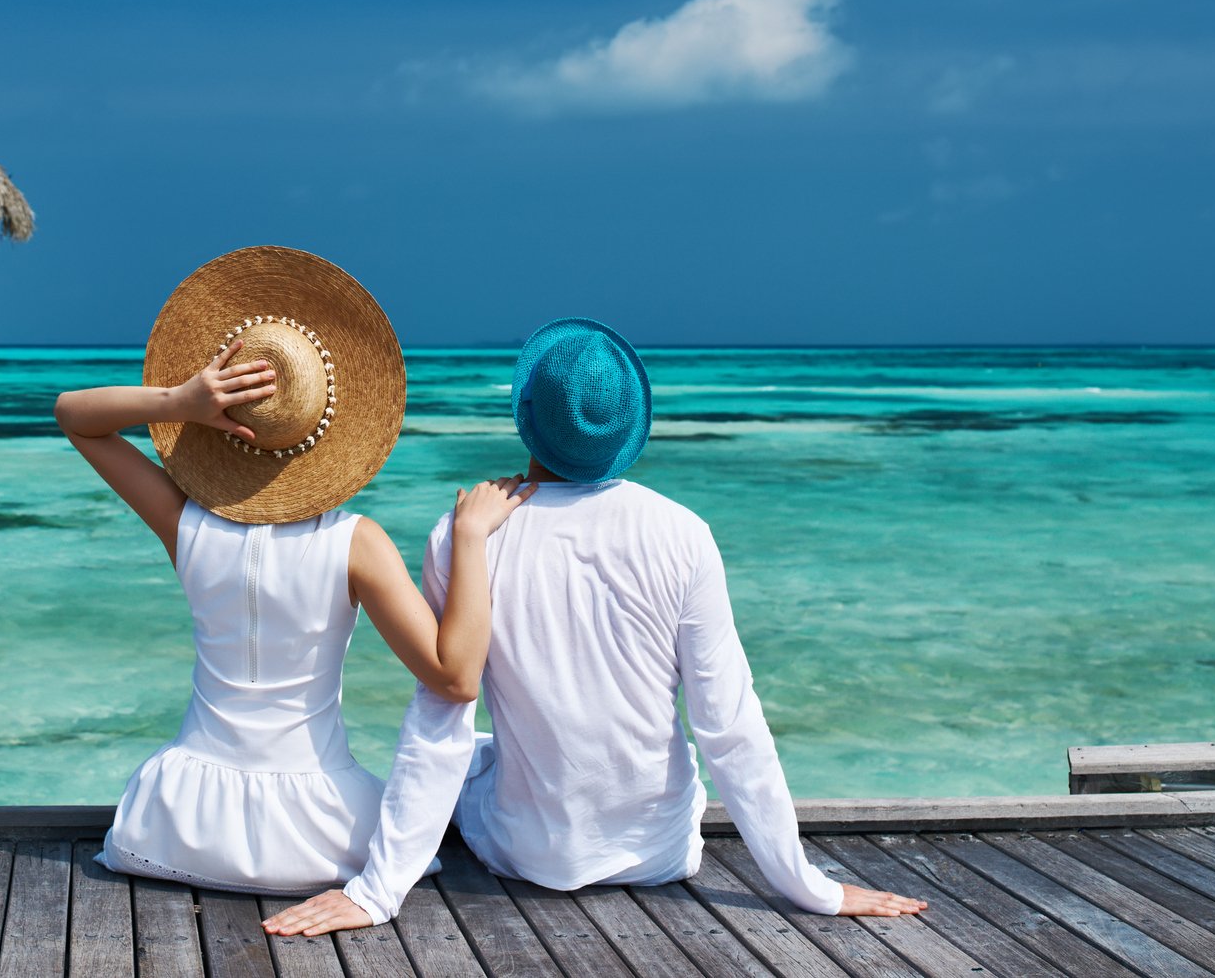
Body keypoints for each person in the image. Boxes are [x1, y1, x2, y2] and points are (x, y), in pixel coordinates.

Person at [265, 317, 926, 935]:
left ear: (525, 418)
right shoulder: (683, 535)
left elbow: (438, 723)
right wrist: (810, 887)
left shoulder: (461, 534)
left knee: (474, 751)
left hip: (525, 855)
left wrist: (376, 892)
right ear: (624, 426)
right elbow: (729, 726)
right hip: (661, 852)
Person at [54, 245, 533, 900]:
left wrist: (179, 401)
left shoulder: (185, 525)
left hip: (169, 828)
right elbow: (454, 678)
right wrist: (471, 539)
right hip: (318, 838)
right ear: (334, 428)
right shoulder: (354, 544)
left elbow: (75, 419)